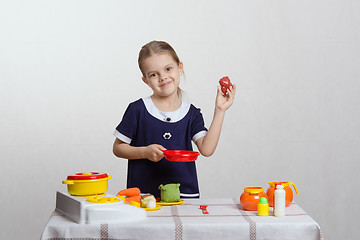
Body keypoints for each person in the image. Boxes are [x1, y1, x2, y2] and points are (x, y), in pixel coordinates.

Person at [113, 40, 236, 198]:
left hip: (184, 195)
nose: (163, 77)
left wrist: (220, 110)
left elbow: (206, 149)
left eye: (168, 69)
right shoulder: (137, 110)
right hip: (144, 196)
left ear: (180, 68)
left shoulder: (191, 113)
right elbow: (117, 148)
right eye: (154, 74)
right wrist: (144, 152)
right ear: (146, 80)